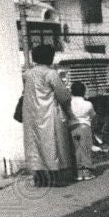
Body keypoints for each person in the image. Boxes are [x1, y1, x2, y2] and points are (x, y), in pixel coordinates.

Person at [22, 43, 75, 187]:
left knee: (35, 145)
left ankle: (40, 178)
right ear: (49, 57)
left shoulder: (28, 74)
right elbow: (63, 95)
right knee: (53, 144)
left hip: (32, 114)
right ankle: (56, 177)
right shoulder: (50, 73)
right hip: (49, 113)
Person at [68, 81, 98, 181]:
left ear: (71, 91)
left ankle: (78, 173)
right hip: (85, 127)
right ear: (83, 92)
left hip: (72, 128)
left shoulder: (69, 104)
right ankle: (87, 172)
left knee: (76, 150)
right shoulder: (88, 104)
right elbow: (93, 116)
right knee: (85, 149)